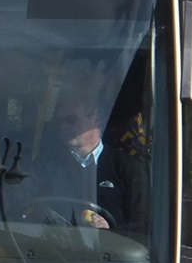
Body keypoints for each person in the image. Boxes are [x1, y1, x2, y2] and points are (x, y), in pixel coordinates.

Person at [30, 89, 149, 233]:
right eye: (60, 121)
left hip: (111, 252)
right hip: (51, 249)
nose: (64, 127)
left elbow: (142, 225)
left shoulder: (126, 167)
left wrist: (111, 230)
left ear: (96, 120)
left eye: (71, 120)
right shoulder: (47, 165)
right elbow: (17, 198)